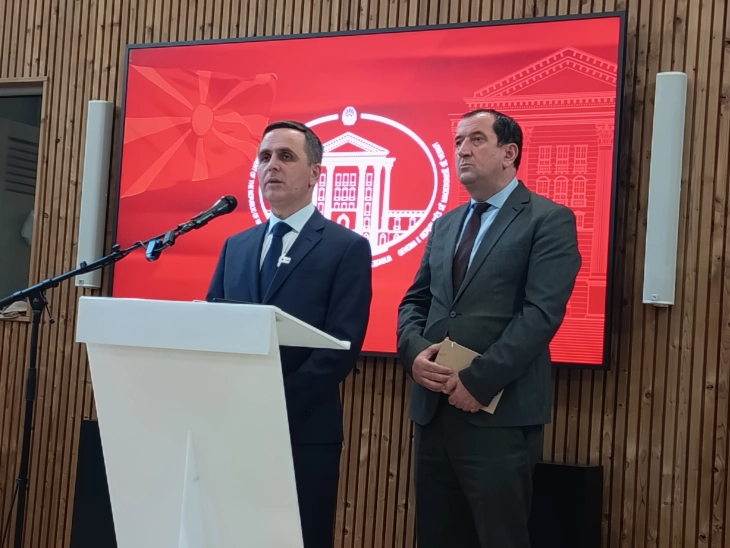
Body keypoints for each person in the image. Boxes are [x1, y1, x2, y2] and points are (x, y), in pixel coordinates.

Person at [397, 109, 581, 548]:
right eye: (458, 141)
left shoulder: (548, 219)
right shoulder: (445, 224)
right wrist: (413, 352)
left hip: (499, 416)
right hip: (434, 413)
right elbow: (415, 302)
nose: (462, 150)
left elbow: (540, 315)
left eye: (476, 139)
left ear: (509, 152)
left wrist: (479, 381)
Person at [206, 120, 373, 548]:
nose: (272, 166)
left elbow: (341, 346)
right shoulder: (237, 246)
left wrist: (272, 403)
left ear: (315, 173)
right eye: (264, 157)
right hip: (233, 426)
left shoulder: (346, 247)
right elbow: (212, 329)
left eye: (285, 156)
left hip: (304, 429)